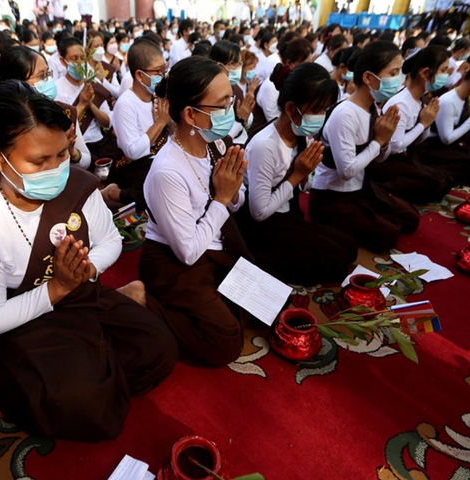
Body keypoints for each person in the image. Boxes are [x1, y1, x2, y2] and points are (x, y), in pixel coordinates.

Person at [0, 79, 177, 441]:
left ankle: (39, 384)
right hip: (27, 318)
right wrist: (57, 287)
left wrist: (87, 270)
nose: (56, 170)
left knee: (158, 350)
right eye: (39, 161)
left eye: (61, 154)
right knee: (88, 410)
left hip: (82, 295)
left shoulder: (78, 186)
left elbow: (110, 240)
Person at [139, 56, 249, 367]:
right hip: (173, 261)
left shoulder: (214, 143)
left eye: (231, 100)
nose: (231, 111)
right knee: (225, 343)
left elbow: (235, 202)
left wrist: (234, 188)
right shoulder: (167, 171)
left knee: (259, 308)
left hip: (215, 244)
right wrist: (223, 197)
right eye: (223, 104)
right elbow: (187, 252)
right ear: (190, 114)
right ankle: (145, 303)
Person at [240, 63, 357, 286]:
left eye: (325, 110)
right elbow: (259, 212)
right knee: (333, 260)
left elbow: (304, 186)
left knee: (348, 246)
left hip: (287, 215)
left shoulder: (299, 133)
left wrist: (305, 175)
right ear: (292, 108)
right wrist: (297, 174)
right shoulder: (266, 145)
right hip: (262, 228)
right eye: (317, 110)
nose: (322, 117)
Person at [309, 41, 419, 254]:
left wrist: (384, 141)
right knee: (388, 234)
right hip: (332, 199)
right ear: (368, 77)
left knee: (410, 218)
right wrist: (378, 141)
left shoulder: (373, 107)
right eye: (393, 73)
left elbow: (379, 159)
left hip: (361, 190)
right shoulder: (346, 114)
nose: (399, 80)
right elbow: (347, 171)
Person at [365, 46, 452, 204]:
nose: (446, 76)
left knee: (445, 178)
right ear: (425, 73)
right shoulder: (401, 103)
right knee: (435, 183)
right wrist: (422, 124)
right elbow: (395, 146)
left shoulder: (421, 100)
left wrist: (427, 123)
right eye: (443, 70)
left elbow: (418, 141)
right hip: (387, 161)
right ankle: (383, 189)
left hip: (407, 157)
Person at [0, 45, 92, 169]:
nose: (48, 81)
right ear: (17, 82)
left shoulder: (63, 112)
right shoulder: (5, 124)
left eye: (48, 73)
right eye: (41, 76)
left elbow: (86, 160)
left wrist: (71, 153)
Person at [415, 53, 470, 187]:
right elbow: (447, 139)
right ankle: (434, 174)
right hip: (432, 147)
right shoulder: (448, 101)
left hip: (451, 146)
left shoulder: (466, 98)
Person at [102, 39, 171, 209]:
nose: (163, 75)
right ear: (140, 75)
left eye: (164, 69)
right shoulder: (126, 103)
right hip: (135, 166)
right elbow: (133, 152)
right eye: (158, 71)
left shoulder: (158, 95)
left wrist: (169, 122)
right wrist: (160, 123)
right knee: (154, 189)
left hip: (159, 156)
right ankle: (113, 192)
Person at [55, 36, 119, 161]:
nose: (79, 63)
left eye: (82, 58)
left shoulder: (92, 83)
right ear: (63, 61)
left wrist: (91, 104)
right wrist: (82, 104)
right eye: (74, 59)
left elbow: (108, 121)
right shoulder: (57, 90)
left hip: (101, 142)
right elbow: (63, 129)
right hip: (80, 148)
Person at [209, 41, 255, 145]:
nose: (238, 68)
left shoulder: (236, 89)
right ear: (219, 65)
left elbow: (247, 118)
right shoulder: (210, 93)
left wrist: (245, 118)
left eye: (240, 64)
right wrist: (239, 121)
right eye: (234, 65)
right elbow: (216, 131)